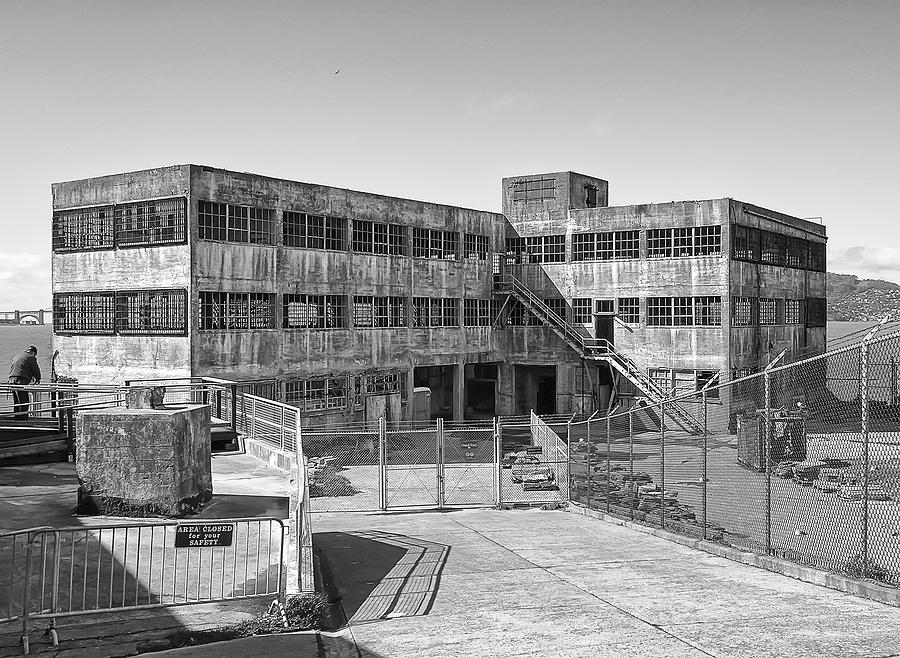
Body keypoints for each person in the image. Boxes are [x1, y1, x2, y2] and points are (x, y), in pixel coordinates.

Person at [8, 345, 41, 420]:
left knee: (17, 401)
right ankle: (23, 419)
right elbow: (35, 369)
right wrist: (38, 379)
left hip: (11, 380)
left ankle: (17, 418)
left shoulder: (17, 356)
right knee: (24, 401)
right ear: (33, 353)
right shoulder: (30, 357)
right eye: (35, 355)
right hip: (21, 380)